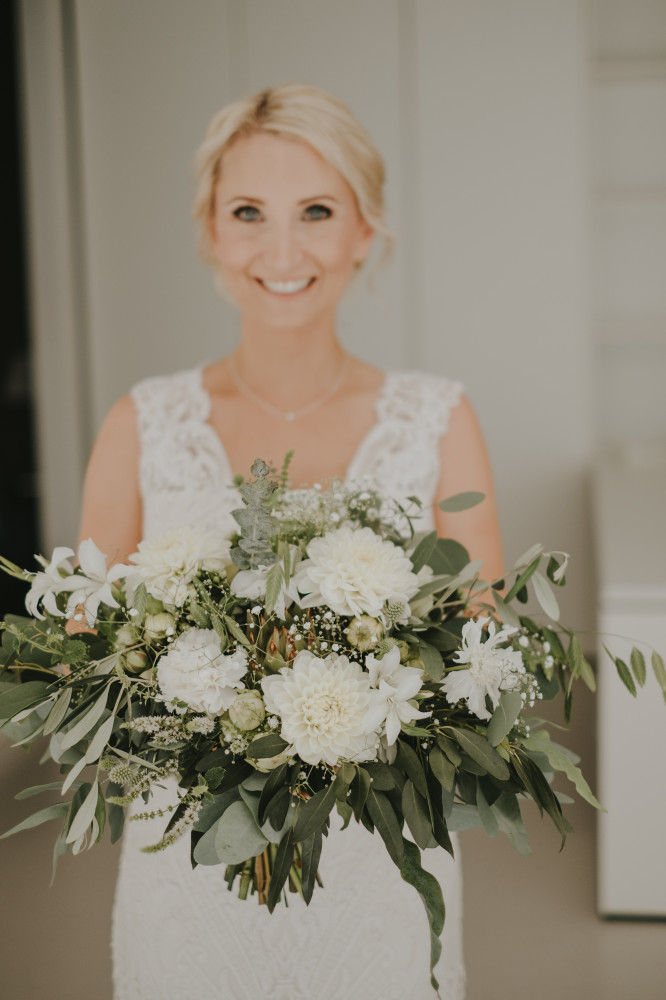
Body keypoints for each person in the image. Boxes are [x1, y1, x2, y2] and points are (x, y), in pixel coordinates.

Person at [78, 83, 503, 1000]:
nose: (282, 250)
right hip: (189, 870)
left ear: (365, 228)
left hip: (380, 870)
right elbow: (84, 649)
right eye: (248, 213)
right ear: (209, 232)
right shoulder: (141, 424)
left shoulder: (438, 420)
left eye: (316, 210)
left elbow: (487, 645)